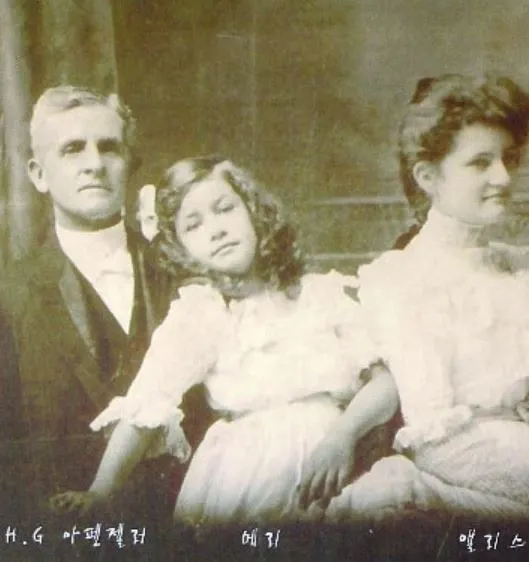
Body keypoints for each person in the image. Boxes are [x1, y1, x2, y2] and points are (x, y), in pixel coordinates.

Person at [50, 156, 400, 525]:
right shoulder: (201, 314)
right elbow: (146, 406)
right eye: (194, 225)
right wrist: (100, 490)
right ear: (181, 247)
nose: (215, 231)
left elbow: (384, 385)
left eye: (225, 209)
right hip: (250, 473)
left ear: (255, 212)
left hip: (336, 466)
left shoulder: (320, 295)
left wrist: (342, 438)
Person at [345, 74, 529, 521]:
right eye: (480, 163)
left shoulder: (527, 273)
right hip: (471, 484)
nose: (503, 177)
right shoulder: (400, 279)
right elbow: (435, 442)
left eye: (509, 158)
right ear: (428, 177)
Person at [0, 86, 202, 519]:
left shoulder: (186, 272)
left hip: (188, 522)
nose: (94, 163)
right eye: (72, 149)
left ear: (129, 164)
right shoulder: (9, 296)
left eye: (109, 147)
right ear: (38, 174)